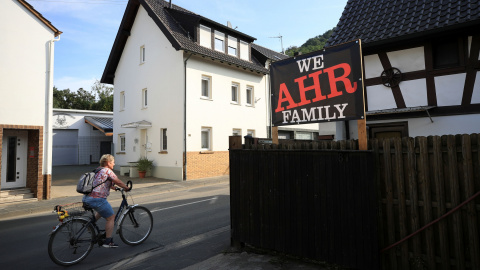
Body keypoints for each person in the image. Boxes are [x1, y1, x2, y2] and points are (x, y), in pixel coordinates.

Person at [82, 154, 130, 248]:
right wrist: (126, 187)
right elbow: (118, 181)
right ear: (108, 163)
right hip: (97, 199)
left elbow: (105, 183)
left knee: (102, 210)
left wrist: (115, 188)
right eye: (113, 162)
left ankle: (90, 224)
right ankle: (108, 241)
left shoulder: (98, 170)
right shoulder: (107, 170)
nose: (114, 164)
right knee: (111, 217)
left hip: (87, 198)